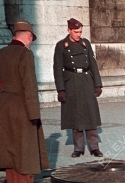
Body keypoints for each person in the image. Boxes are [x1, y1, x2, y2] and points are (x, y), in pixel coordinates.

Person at [0, 20, 50, 183]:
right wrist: (34, 114)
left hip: (4, 106)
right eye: (32, 39)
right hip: (23, 106)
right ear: (28, 36)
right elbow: (29, 86)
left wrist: (2, 103)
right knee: (26, 152)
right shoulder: (25, 55)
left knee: (11, 152)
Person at [53, 18, 103, 158]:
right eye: (76, 32)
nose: (78, 34)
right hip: (71, 81)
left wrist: (97, 84)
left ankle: (94, 147)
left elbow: (93, 64)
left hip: (86, 80)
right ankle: (78, 148)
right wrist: (61, 90)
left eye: (80, 31)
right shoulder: (61, 45)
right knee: (76, 116)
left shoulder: (85, 43)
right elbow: (57, 69)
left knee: (90, 114)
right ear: (69, 30)